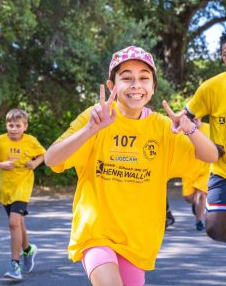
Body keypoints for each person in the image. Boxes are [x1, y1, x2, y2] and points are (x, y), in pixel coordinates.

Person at [44, 45, 218, 285]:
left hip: (138, 242)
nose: (136, 84)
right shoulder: (94, 118)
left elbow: (210, 155)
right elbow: (52, 159)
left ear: (153, 86)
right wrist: (90, 129)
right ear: (111, 86)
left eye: (144, 78)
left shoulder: (163, 128)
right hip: (97, 235)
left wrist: (189, 127)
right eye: (126, 78)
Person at [0, 108, 45, 280]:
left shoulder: (30, 141)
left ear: (25, 126)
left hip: (23, 188)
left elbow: (43, 154)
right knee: (19, 223)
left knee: (13, 222)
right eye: (11, 125)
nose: (14, 129)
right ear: (6, 125)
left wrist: (35, 163)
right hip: (6, 189)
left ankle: (14, 265)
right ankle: (28, 250)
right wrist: (2, 165)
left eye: (18, 125)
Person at [185, 32, 226, 242]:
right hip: (221, 170)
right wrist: (208, 145)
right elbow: (187, 117)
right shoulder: (211, 87)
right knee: (214, 229)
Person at [181, 119, 210, 231]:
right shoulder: (183, 130)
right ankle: (199, 205)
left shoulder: (209, 129)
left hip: (206, 169)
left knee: (201, 194)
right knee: (188, 197)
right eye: (192, 119)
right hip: (188, 169)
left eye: (196, 118)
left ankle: (199, 221)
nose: (195, 121)